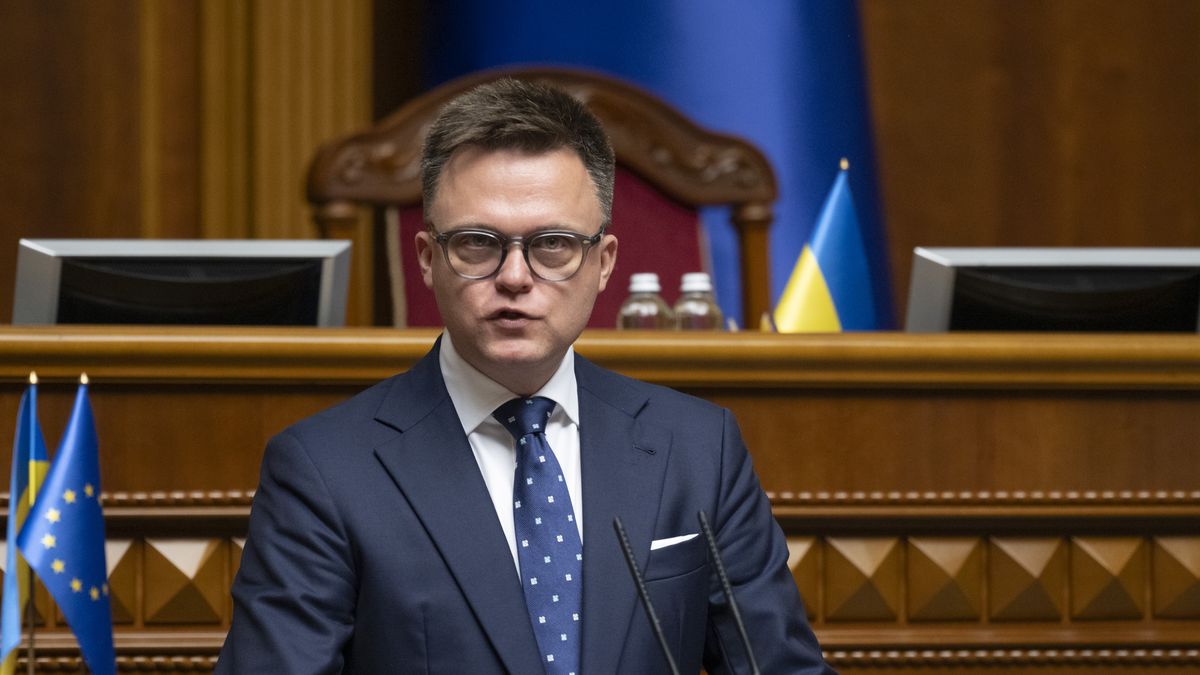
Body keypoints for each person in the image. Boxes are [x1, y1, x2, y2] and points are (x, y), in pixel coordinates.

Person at [216, 78, 833, 675]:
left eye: (554, 244)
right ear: (429, 260)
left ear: (603, 263)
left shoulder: (699, 449)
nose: (515, 277)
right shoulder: (323, 470)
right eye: (479, 244)